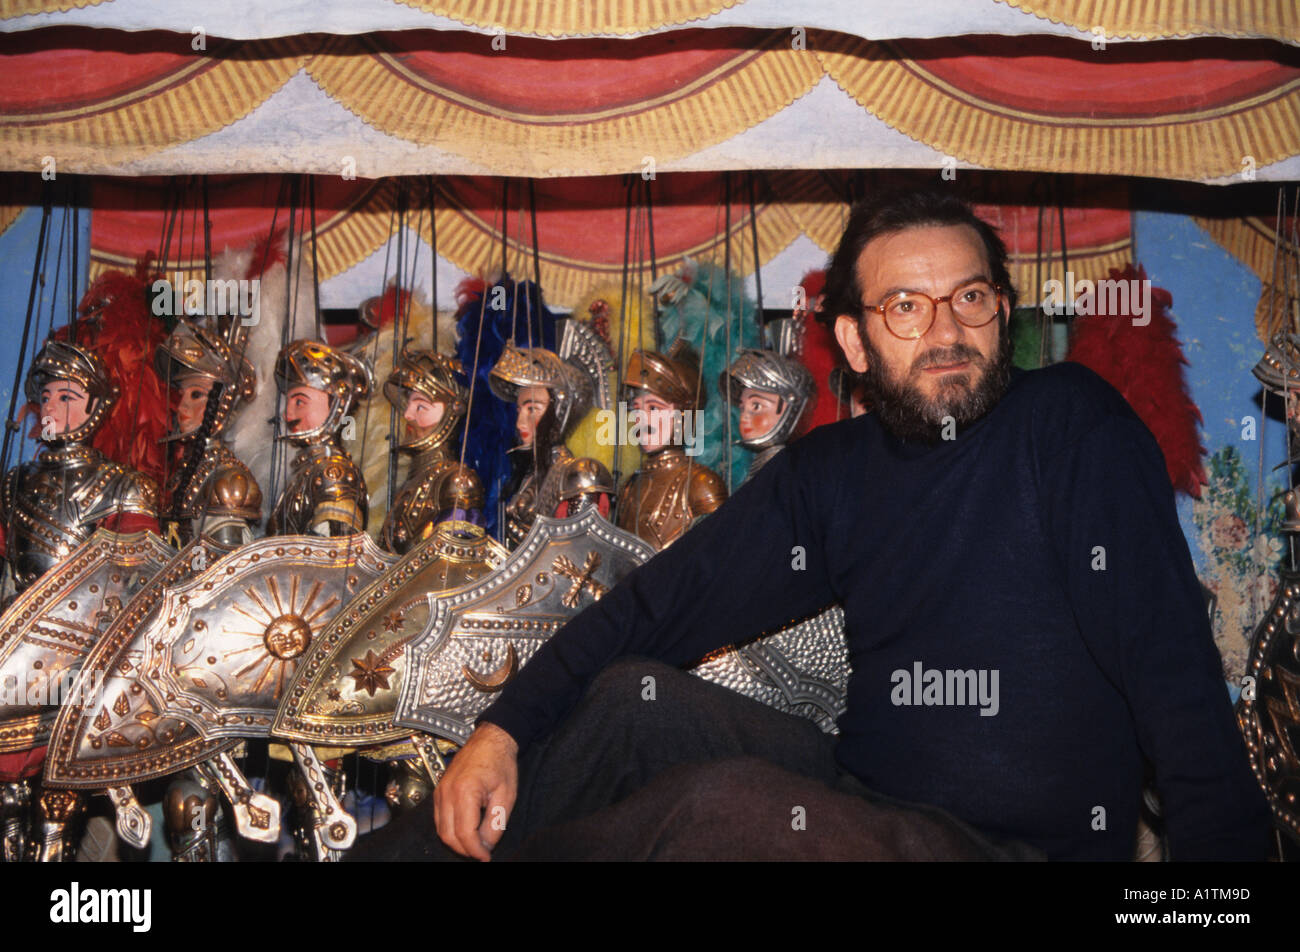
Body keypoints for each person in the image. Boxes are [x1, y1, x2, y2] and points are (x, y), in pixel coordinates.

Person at [374, 188, 1271, 862]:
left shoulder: (1071, 424)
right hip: (866, 801)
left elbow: (1172, 667)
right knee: (626, 704)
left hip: (1016, 851)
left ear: (1003, 309)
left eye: (971, 298)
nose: (948, 330)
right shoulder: (836, 472)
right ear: (853, 344)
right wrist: (501, 731)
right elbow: (657, 605)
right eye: (907, 309)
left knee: (724, 811)